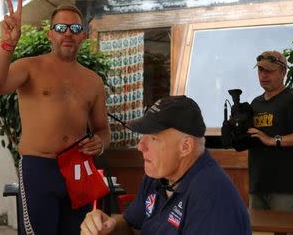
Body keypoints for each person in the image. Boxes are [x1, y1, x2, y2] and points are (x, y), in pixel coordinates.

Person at [0, 0, 110, 234]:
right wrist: (8, 44)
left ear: (84, 34)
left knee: (80, 232)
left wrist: (100, 143)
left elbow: (103, 129)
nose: (68, 33)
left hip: (78, 169)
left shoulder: (93, 81)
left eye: (75, 28)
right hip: (39, 168)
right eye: (61, 28)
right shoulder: (30, 66)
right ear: (50, 34)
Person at [80, 96, 250, 235]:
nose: (141, 146)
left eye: (153, 138)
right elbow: (132, 225)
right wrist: (110, 225)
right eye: (143, 135)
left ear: (185, 147)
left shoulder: (212, 196)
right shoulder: (158, 175)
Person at [247, 50, 293, 211]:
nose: (264, 75)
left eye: (270, 71)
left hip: (287, 188)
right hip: (258, 186)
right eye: (260, 70)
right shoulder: (255, 103)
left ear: (283, 72)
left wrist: (273, 140)